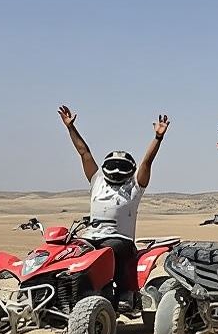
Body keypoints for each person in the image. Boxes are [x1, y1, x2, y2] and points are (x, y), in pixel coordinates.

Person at [57, 105, 169, 310]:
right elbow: (84, 152)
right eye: (114, 165)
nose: (117, 170)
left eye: (122, 166)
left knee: (110, 251)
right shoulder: (97, 180)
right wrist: (71, 128)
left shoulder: (135, 186)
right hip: (90, 237)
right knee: (69, 256)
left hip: (119, 240)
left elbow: (147, 162)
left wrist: (158, 138)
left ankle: (124, 293)